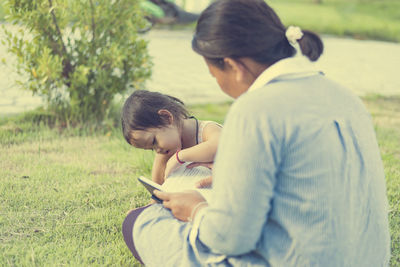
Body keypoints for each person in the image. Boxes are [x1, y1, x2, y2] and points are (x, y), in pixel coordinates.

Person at [122, 0, 391, 266]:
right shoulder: (346, 97)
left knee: (139, 221)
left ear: (234, 66)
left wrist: (196, 209)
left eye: (213, 74)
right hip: (370, 259)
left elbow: (231, 239)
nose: (218, 84)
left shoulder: (254, 109)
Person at [121, 90, 221, 185]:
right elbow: (157, 188)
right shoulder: (166, 150)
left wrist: (180, 157)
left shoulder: (206, 130)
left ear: (166, 117)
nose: (158, 150)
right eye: (152, 149)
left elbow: (219, 146)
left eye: (154, 141)